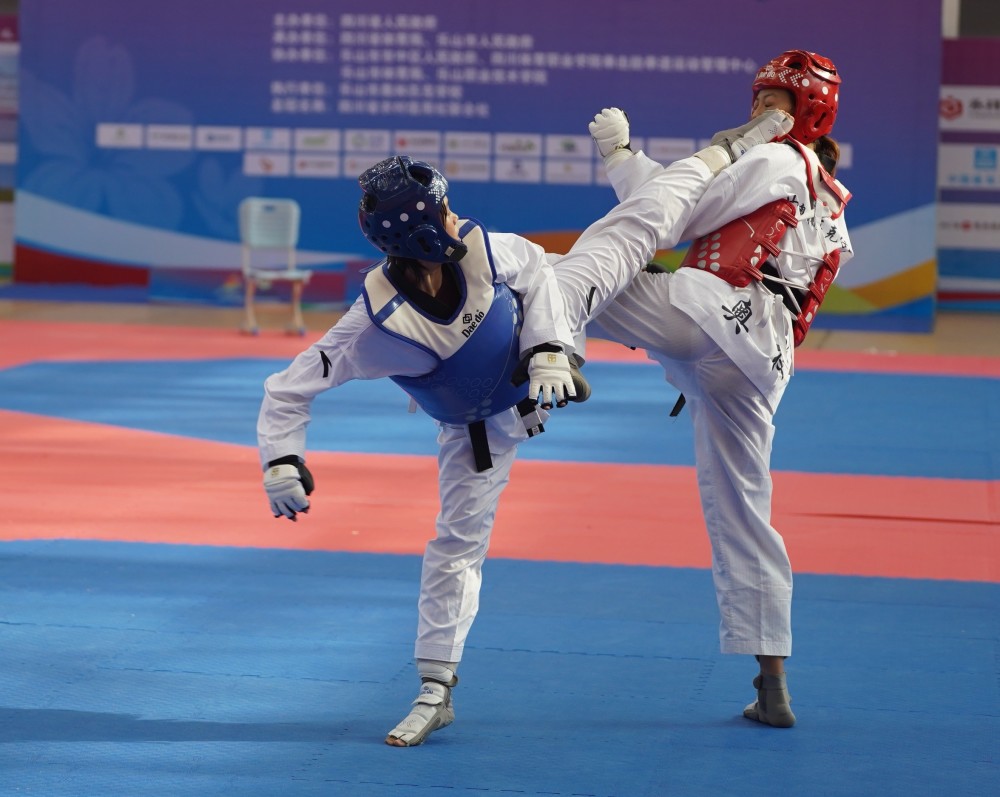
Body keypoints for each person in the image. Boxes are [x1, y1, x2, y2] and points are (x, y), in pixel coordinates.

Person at [254, 109, 791, 746]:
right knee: (456, 543)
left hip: (557, 321)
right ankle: (435, 685)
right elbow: (289, 388)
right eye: (443, 213)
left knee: (633, 226)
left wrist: (551, 351)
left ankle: (724, 151)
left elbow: (538, 272)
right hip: (479, 428)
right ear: (424, 232)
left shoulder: (486, 248)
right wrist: (280, 460)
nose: (455, 218)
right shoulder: (378, 324)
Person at [581, 50, 853, 728]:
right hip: (762, 368)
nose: (763, 112)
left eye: (777, 105)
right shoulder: (832, 202)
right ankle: (772, 685)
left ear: (804, 115)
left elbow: (669, 214)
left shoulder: (773, 161)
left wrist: (620, 157)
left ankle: (539, 359)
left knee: (569, 273)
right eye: (762, 99)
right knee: (745, 514)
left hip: (706, 314)